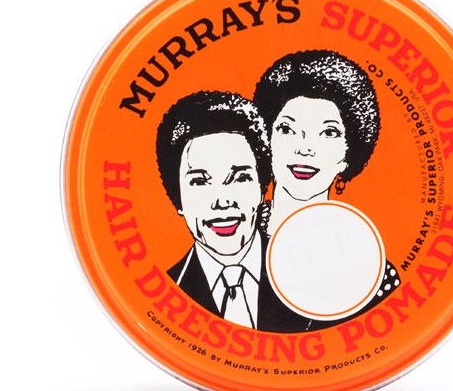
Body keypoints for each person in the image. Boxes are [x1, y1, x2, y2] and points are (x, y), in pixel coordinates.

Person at [253, 50, 400, 326]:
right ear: (267, 140)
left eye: (328, 133)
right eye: (287, 129)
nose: (305, 149)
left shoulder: (371, 272)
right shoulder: (227, 240)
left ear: (348, 154)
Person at [156, 91, 308, 333]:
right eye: (200, 181)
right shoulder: (162, 294)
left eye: (239, 178)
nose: (222, 201)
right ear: (177, 198)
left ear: (262, 187)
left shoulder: (308, 275)